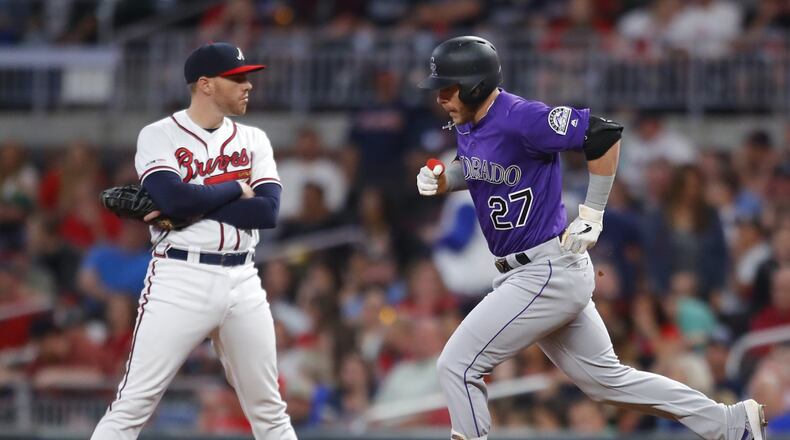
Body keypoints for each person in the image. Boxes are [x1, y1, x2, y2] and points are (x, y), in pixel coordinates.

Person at [415, 35, 767, 440]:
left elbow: (603, 134)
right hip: (535, 272)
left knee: (457, 365)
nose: (440, 97)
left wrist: (593, 212)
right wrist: (447, 180)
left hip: (545, 268)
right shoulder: (471, 121)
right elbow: (482, 167)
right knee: (607, 382)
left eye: (448, 87)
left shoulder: (521, 117)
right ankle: (730, 422)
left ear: (476, 83)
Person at [91, 42, 296, 439]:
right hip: (180, 276)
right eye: (236, 78)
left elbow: (266, 212)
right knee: (133, 404)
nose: (247, 85)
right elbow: (173, 198)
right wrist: (237, 187)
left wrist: (189, 206)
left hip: (243, 278)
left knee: (271, 411)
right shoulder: (159, 135)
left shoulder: (255, 140)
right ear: (205, 84)